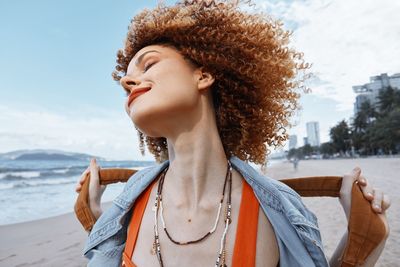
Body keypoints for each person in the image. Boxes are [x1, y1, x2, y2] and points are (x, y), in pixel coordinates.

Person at [75, 1, 391, 266]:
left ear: (204, 75)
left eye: (148, 64)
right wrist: (97, 218)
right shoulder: (123, 214)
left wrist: (363, 236)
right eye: (127, 77)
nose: (127, 82)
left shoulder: (279, 212)